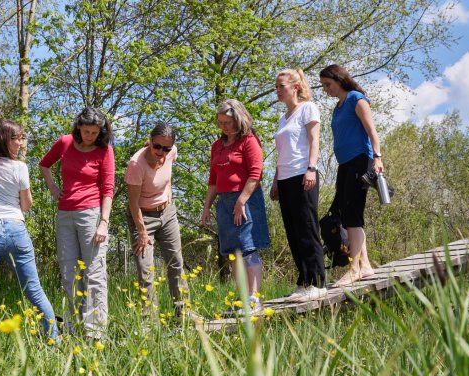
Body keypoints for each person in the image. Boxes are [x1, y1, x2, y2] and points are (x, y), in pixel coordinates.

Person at [0, 120, 58, 352]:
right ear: (4, 139)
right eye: (16, 138)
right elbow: (26, 206)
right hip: (16, 229)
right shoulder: (20, 168)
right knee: (33, 290)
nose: (20, 143)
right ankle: (54, 342)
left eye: (21, 138)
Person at [39, 107, 115, 339]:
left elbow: (108, 189)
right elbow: (44, 164)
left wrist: (104, 222)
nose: (90, 136)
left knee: (93, 273)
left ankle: (95, 332)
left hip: (91, 214)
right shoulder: (65, 142)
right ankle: (73, 328)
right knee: (69, 274)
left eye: (95, 132)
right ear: (78, 127)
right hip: (64, 215)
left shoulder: (105, 151)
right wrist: (53, 188)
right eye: (86, 131)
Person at [201, 99, 270, 315]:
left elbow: (255, 174)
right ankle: (241, 300)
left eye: (228, 122)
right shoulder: (217, 146)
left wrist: (241, 201)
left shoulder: (249, 141)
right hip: (224, 202)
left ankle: (254, 298)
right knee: (232, 251)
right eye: (220, 122)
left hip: (246, 200)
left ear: (238, 120)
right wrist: (206, 208)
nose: (224, 126)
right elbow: (213, 180)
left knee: (247, 248)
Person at [319, 64, 384, 287]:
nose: (326, 89)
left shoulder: (356, 98)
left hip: (360, 160)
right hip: (344, 165)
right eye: (323, 86)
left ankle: (355, 267)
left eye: (328, 84)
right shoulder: (337, 108)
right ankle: (365, 265)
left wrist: (377, 157)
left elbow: (371, 130)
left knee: (353, 214)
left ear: (339, 79)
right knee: (347, 215)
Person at [271, 69, 327, 301]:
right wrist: (274, 181)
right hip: (284, 179)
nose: (277, 90)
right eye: (276, 86)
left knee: (307, 228)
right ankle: (304, 281)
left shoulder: (308, 108)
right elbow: (282, 152)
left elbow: (314, 140)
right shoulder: (283, 118)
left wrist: (311, 169)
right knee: (293, 231)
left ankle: (317, 282)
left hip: (303, 175)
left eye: (281, 86)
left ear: (295, 86)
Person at [124, 123, 190, 320]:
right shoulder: (136, 165)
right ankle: (149, 321)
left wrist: (167, 195)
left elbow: (167, 176)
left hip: (167, 213)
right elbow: (133, 203)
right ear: (150, 141)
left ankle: (184, 314)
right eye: (157, 146)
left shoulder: (172, 153)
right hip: (142, 217)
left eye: (166, 148)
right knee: (146, 269)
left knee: (176, 262)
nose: (161, 152)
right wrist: (142, 232)